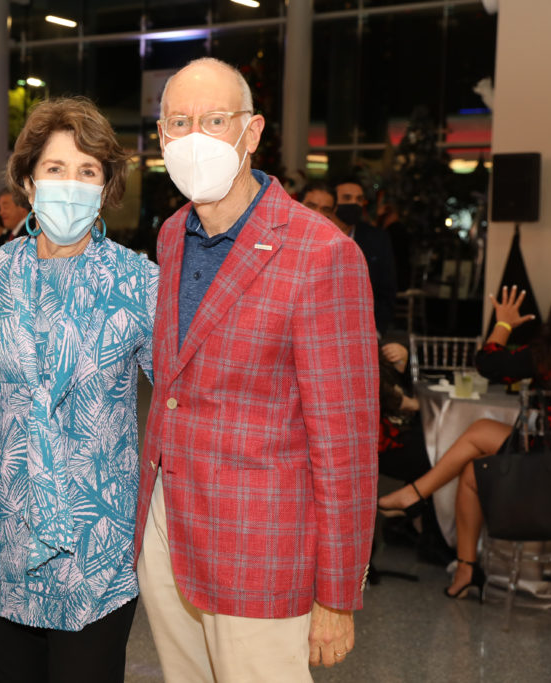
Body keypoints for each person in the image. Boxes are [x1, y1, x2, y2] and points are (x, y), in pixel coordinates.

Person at [134, 58, 378, 680]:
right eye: (179, 122)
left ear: (253, 131)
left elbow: (345, 445)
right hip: (169, 533)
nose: (195, 137)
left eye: (215, 121)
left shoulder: (322, 254)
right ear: (161, 137)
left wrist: (337, 592)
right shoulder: (169, 236)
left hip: (263, 550)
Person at [0, 96, 158, 683]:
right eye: (55, 168)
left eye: (87, 171)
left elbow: (182, 399)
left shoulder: (140, 284)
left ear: (106, 187)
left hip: (97, 545)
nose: (71, 183)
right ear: (27, 179)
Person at [378, 285, 551, 598]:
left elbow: (488, 363)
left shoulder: (547, 356)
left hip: (547, 469)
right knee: (474, 472)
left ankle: (415, 494)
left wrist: (503, 323)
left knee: (478, 431)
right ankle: (466, 570)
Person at [333, 178, 397, 336]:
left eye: (359, 199)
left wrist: (377, 329)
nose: (354, 204)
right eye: (347, 198)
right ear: (333, 203)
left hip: (363, 329)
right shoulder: (317, 234)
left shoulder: (377, 238)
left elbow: (387, 288)